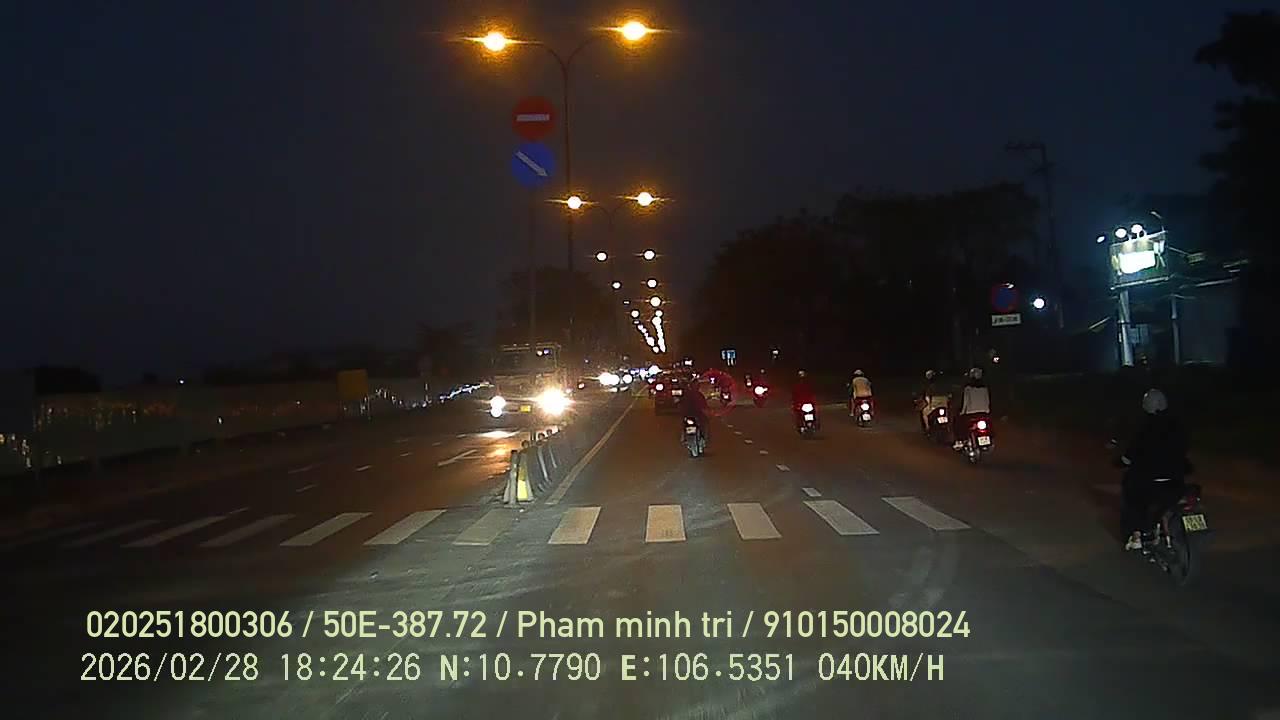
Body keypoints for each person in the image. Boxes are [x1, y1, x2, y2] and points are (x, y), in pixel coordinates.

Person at [1120, 389, 1189, 551]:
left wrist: (1123, 460)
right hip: (1176, 478)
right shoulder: (1176, 424)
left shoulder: (1145, 427)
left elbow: (1132, 451)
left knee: (1133, 497)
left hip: (1151, 480)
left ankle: (1136, 536)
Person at [953, 367, 991, 448]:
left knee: (958, 422)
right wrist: (987, 411)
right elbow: (987, 401)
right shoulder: (984, 388)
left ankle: (960, 441)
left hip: (971, 413)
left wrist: (962, 412)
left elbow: (965, 402)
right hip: (983, 413)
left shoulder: (968, 388)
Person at [678, 376, 710, 441]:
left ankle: (703, 437)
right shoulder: (689, 394)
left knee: (704, 422)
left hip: (695, 414)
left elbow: (704, 406)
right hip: (691, 414)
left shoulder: (697, 395)